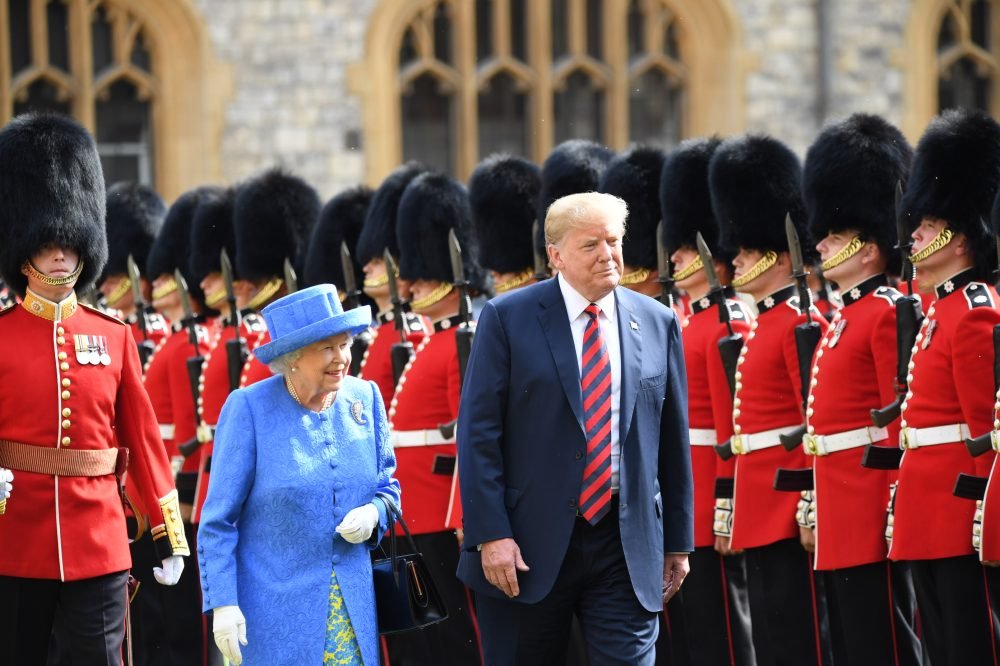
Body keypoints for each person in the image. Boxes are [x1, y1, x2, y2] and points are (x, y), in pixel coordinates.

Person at [457, 191, 694, 665]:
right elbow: (479, 434)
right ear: (556, 256)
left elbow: (672, 436)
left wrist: (678, 542)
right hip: (527, 546)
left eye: (614, 241)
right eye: (591, 245)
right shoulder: (508, 318)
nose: (608, 255)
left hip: (623, 544)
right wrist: (491, 534)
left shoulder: (656, 320)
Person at [0, 113, 188, 662]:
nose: (60, 252)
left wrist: (166, 531)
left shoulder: (114, 336)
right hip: (16, 540)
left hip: (100, 541)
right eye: (46, 242)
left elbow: (143, 441)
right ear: (23, 249)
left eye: (69, 241)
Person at [198, 283, 399, 666]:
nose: (341, 357)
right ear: (292, 357)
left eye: (345, 344)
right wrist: (222, 601)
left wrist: (375, 511)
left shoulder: (365, 398)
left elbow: (388, 486)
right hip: (273, 613)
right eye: (327, 348)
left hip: (353, 612)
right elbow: (218, 522)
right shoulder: (249, 409)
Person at [801, 113, 922, 665]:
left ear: (869, 247)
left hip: (871, 502)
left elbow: (898, 414)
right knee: (850, 641)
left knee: (885, 641)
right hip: (838, 500)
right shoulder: (845, 318)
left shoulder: (886, 314)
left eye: (836, 236)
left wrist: (894, 501)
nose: (822, 245)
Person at [708, 134, 831, 666]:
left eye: (749, 252)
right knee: (772, 637)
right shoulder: (764, 325)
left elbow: (814, 418)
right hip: (758, 501)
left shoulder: (799, 325)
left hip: (787, 503)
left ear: (779, 258)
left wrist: (809, 502)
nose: (736, 262)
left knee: (797, 636)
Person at [888, 108, 1000, 664]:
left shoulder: (974, 312)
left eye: (928, 228)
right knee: (939, 637)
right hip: (926, 501)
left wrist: (984, 509)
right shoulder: (939, 310)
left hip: (959, 505)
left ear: (959, 239)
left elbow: (985, 427)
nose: (915, 236)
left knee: (968, 638)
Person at [383, 171, 488, 666]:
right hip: (417, 508)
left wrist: (468, 513)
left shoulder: (465, 340)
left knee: (460, 637)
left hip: (446, 513)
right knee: (428, 641)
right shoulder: (433, 340)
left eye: (422, 275)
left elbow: (471, 433)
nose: (410, 284)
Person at [659, 137, 756, 666]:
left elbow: (729, 428)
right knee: (688, 634)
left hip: (708, 500)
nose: (673, 257)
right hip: (679, 498)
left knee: (723, 629)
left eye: (684, 246)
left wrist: (725, 506)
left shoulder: (728, 320)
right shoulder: (687, 320)